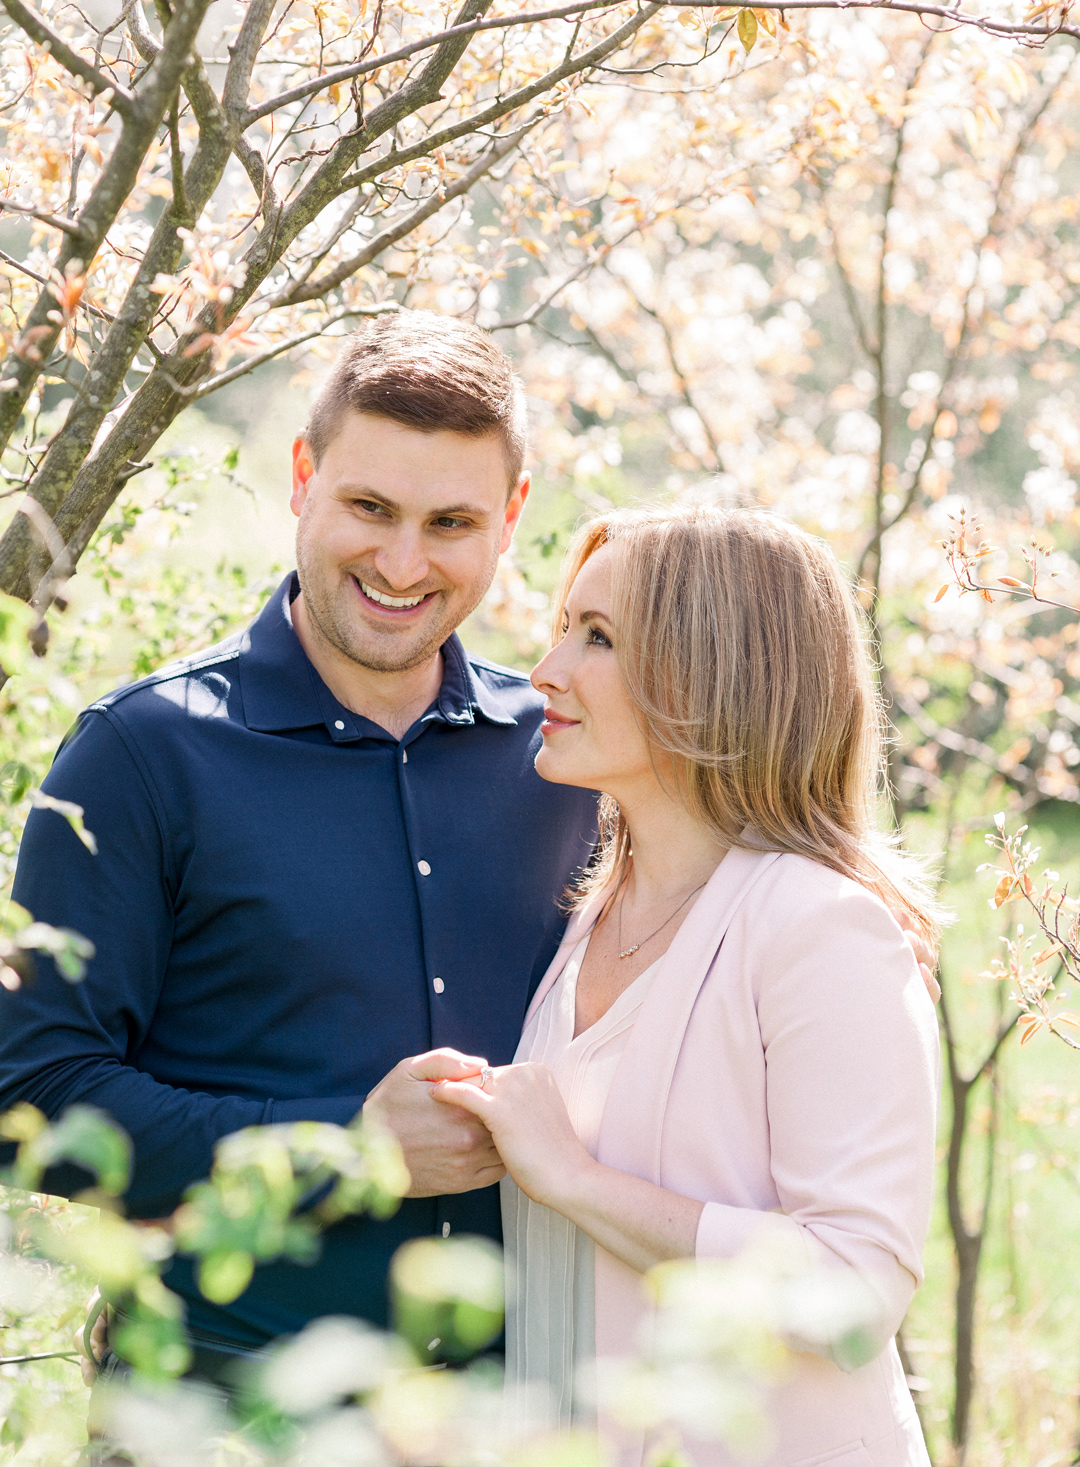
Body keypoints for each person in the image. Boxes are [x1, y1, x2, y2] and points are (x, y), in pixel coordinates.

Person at [0, 312, 935, 1387]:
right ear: (303, 477)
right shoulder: (145, 754)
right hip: (227, 1403)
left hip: (526, 1409)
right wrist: (344, 1144)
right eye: (369, 508)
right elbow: (34, 1104)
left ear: (510, 517)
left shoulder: (575, 765)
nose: (402, 562)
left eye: (450, 521)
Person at [434, 505, 940, 1467]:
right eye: (563, 628)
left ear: (715, 676)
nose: (546, 670)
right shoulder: (591, 912)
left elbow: (857, 1288)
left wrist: (578, 1180)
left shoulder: (817, 927)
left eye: (599, 639)